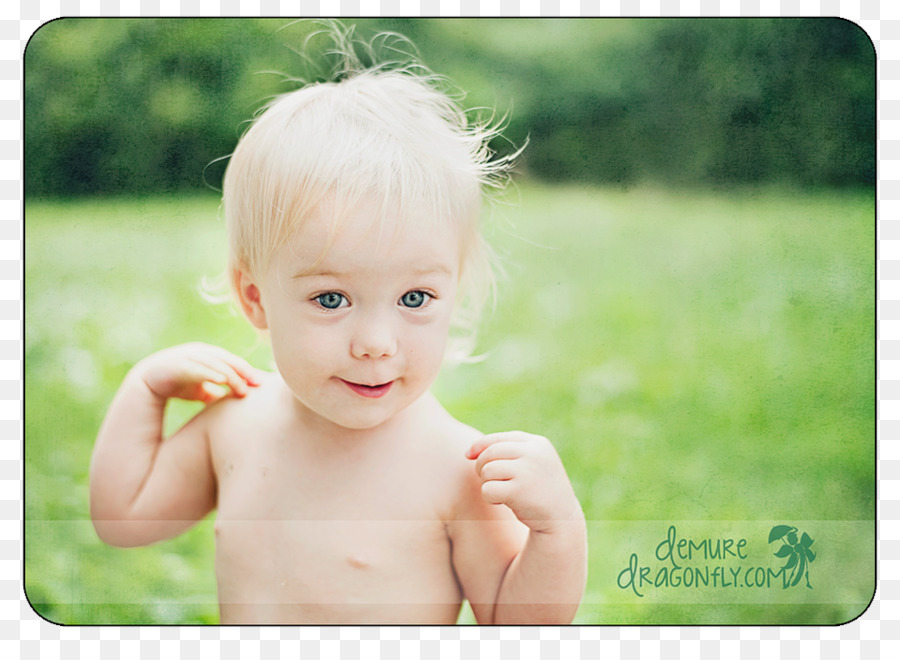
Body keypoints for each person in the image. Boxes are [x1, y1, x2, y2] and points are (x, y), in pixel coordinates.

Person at [89, 24, 587, 625]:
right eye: (331, 300)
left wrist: (557, 529)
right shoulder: (233, 424)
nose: (376, 345)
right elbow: (124, 520)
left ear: (454, 291)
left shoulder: (455, 468)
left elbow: (515, 624)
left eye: (415, 296)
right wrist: (144, 392)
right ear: (255, 299)